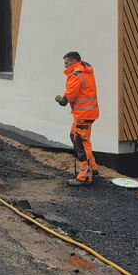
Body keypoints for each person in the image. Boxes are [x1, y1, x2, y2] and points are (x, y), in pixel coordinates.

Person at [55, 51, 99, 186]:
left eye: (66, 63)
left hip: (83, 115)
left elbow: (68, 96)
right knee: (76, 137)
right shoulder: (85, 71)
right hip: (87, 114)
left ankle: (85, 177)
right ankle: (92, 168)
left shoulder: (75, 75)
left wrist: (61, 100)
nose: (65, 66)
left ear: (74, 61)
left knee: (80, 143)